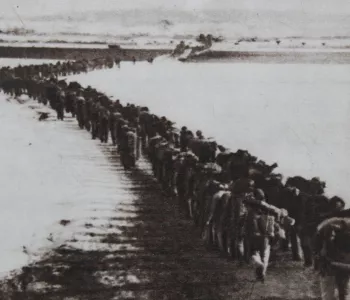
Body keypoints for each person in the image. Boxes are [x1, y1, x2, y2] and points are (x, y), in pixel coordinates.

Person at [314, 214, 350, 300]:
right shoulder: (329, 227)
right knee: (329, 290)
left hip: (337, 261)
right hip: (328, 261)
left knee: (343, 289)